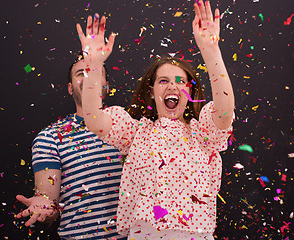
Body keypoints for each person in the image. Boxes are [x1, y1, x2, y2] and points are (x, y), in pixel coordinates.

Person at [78, 1, 235, 239]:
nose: (172, 85)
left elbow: (224, 113)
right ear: (151, 92)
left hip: (195, 233)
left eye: (181, 81)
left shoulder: (203, 133)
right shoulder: (136, 132)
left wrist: (211, 50)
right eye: (163, 81)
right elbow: (93, 119)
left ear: (190, 93)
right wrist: (94, 66)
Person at [15, 49, 127, 239]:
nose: (88, 77)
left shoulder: (129, 128)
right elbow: (48, 201)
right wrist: (45, 207)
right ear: (69, 88)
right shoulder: (49, 138)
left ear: (106, 86)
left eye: (95, 72)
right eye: (80, 74)